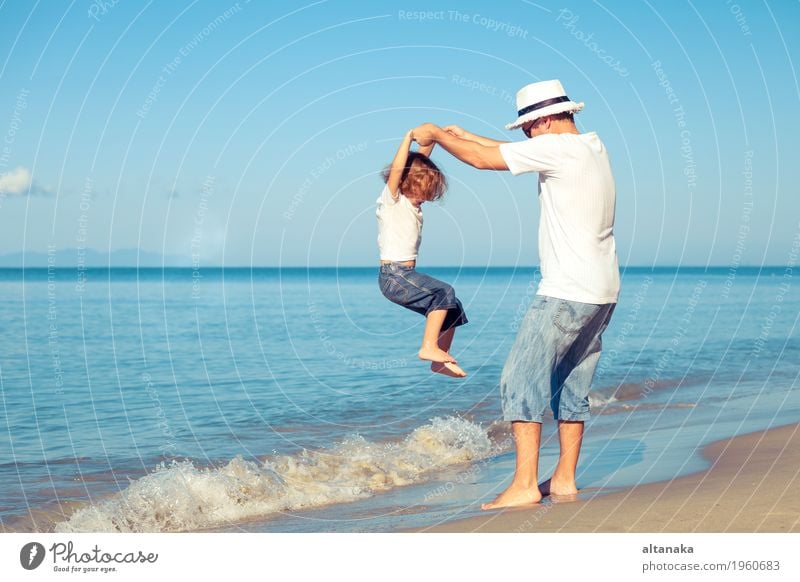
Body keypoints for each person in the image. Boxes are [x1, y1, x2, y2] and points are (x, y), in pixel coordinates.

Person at [412, 79, 619, 509]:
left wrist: (434, 135)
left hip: (566, 289)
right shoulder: (590, 147)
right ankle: (563, 479)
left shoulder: (558, 149)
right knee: (570, 384)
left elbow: (487, 161)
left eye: (527, 128)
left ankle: (525, 484)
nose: (526, 136)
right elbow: (496, 150)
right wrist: (461, 136)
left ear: (543, 120)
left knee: (520, 380)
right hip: (602, 290)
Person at [377, 129, 469, 378]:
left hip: (405, 274)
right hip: (393, 276)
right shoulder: (392, 201)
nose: (426, 199)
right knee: (444, 292)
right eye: (424, 192)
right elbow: (400, 169)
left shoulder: (411, 202)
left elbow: (417, 163)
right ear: (408, 185)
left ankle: (439, 359)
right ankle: (428, 347)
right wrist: (406, 138)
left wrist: (434, 139)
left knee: (453, 307)